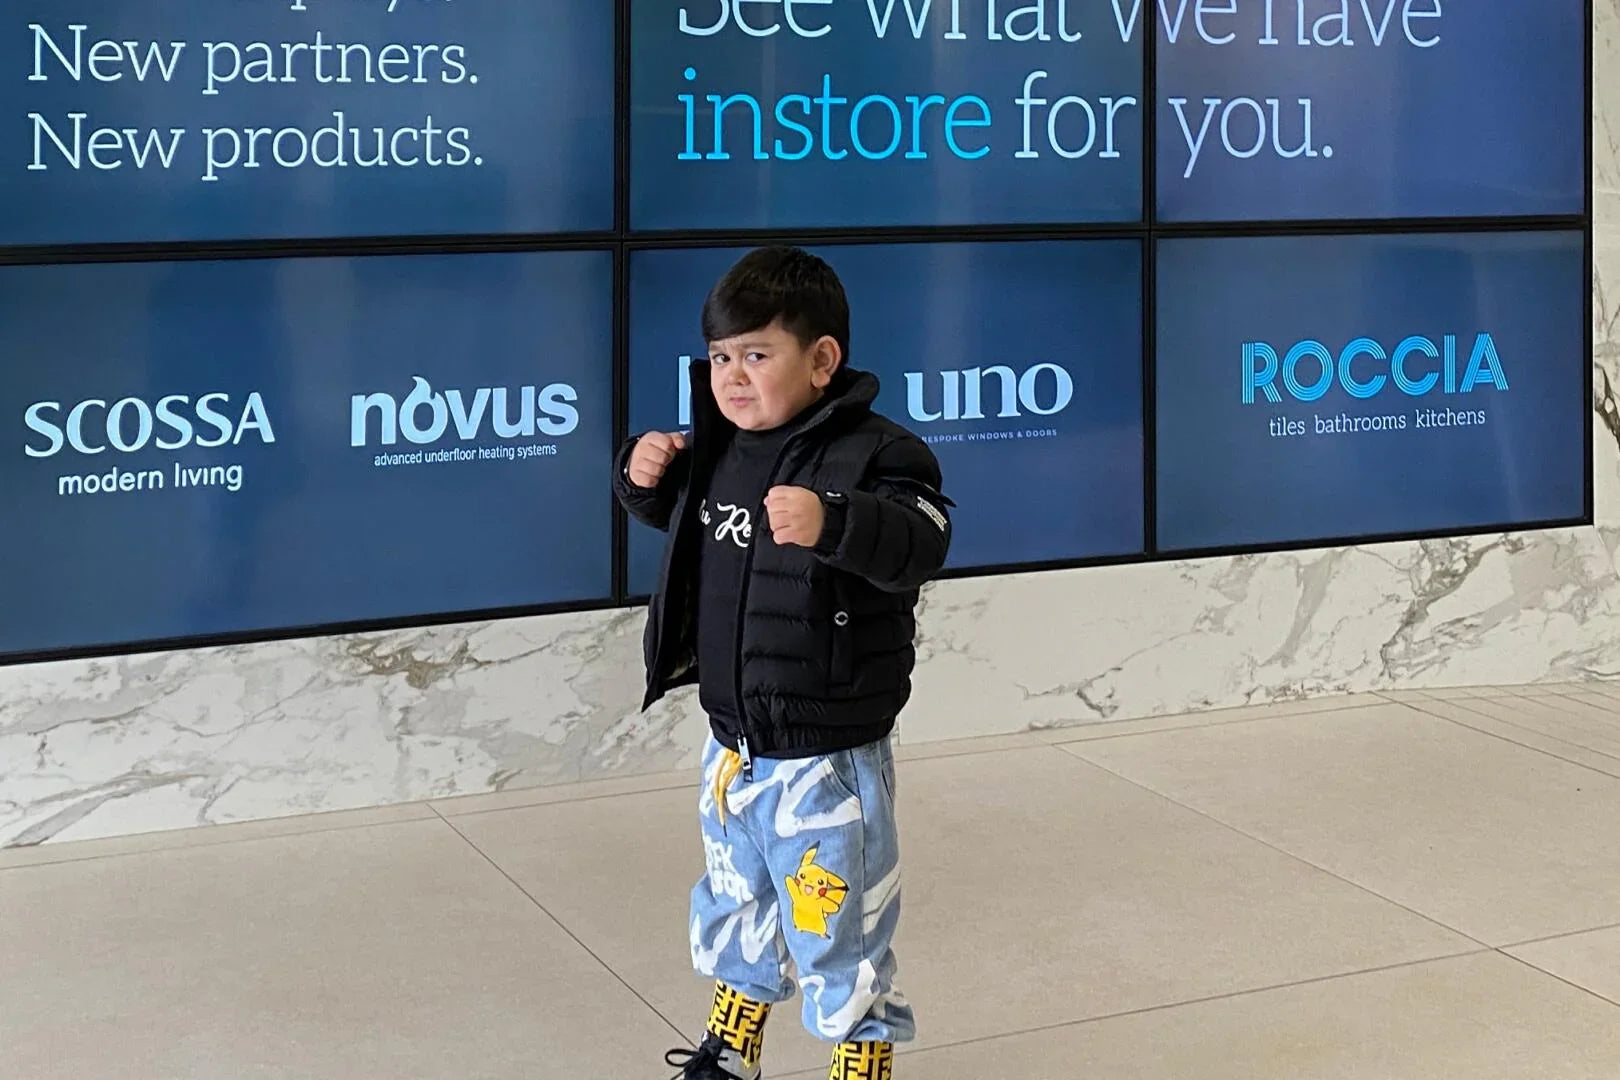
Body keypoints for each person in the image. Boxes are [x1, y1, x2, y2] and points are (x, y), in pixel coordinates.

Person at [613, 246, 952, 1080]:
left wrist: (835, 521)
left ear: (822, 360)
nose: (732, 377)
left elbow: (922, 540)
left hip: (827, 755)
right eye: (720, 357)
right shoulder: (720, 447)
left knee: (838, 926)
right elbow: (681, 521)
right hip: (733, 741)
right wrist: (642, 477)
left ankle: (861, 1058)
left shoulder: (880, 452)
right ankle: (733, 1046)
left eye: (757, 355)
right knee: (737, 900)